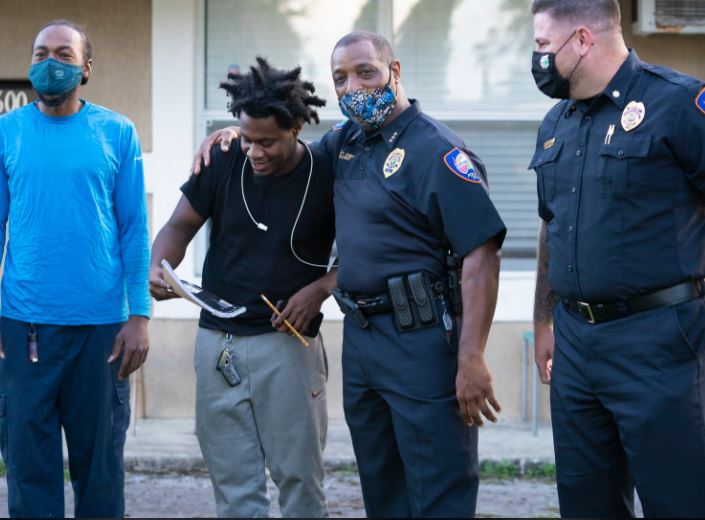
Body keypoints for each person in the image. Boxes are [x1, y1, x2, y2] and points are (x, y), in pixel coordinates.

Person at [195, 31, 507, 518]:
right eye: (340, 77)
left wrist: (472, 357)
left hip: (422, 341)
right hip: (363, 344)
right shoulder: (345, 144)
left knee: (437, 490)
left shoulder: (437, 151)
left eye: (366, 72)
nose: (352, 86)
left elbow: (481, 256)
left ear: (394, 72)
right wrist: (236, 136)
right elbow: (286, 147)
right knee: (382, 489)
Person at [530, 0, 705, 516]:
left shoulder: (678, 104)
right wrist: (543, 319)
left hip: (660, 342)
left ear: (582, 39)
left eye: (542, 45)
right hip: (576, 346)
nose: (537, 58)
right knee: (586, 504)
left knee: (680, 501)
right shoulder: (555, 123)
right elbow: (551, 224)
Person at [149, 57, 335, 518]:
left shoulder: (328, 171)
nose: (254, 152)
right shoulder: (224, 156)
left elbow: (364, 252)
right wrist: (158, 267)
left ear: (295, 127)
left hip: (287, 347)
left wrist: (322, 288)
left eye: (267, 142)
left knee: (300, 482)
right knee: (234, 487)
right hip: (218, 344)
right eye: (247, 138)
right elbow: (178, 226)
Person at [0, 19, 150, 518]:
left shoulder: (117, 132)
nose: (50, 63)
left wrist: (140, 316)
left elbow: (133, 229)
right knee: (27, 464)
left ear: (85, 69)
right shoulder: (7, 132)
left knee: (100, 466)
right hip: (23, 324)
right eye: (41, 53)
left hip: (102, 329)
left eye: (64, 55)